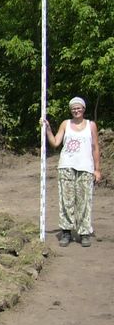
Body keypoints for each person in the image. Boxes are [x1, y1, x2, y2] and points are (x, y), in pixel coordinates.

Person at [43, 97, 102, 247]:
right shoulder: (65, 124)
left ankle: (84, 233)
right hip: (66, 166)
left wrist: (97, 169)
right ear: (71, 110)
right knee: (66, 200)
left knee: (84, 201)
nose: (76, 110)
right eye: (73, 108)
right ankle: (66, 232)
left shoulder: (91, 125)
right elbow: (55, 142)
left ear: (83, 109)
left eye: (79, 108)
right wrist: (48, 129)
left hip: (85, 168)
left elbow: (95, 147)